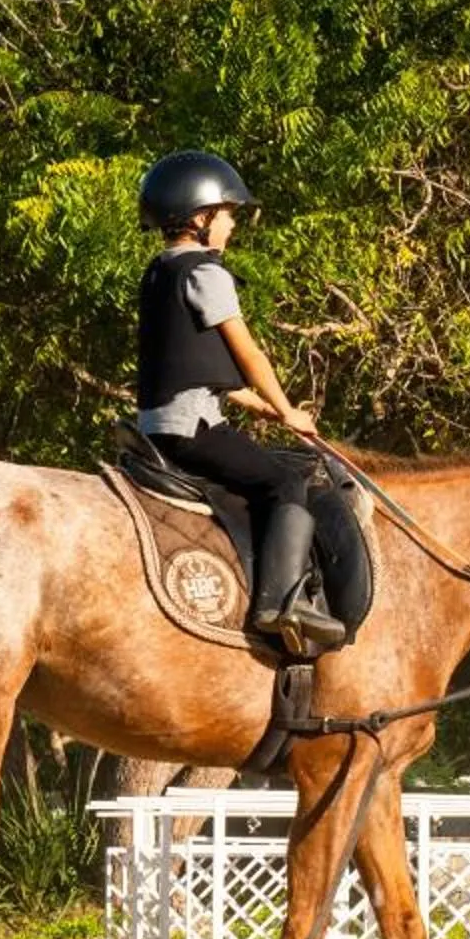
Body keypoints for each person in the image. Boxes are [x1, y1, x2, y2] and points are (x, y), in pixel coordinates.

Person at [132, 150, 344, 652]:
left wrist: (262, 408)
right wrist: (288, 408)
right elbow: (248, 353)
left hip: (159, 420)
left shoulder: (162, 270)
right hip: (190, 428)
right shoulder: (208, 274)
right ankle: (280, 604)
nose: (231, 225)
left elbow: (192, 365)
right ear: (201, 217)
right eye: (227, 214)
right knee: (287, 481)